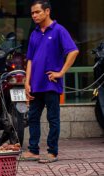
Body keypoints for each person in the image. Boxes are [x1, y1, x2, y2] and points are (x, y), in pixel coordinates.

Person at [22, 0, 79, 163]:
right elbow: (30, 59)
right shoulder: (34, 33)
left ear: (47, 11)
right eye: (32, 13)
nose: (34, 15)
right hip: (35, 84)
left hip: (51, 83)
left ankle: (52, 152)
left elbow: (73, 51)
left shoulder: (59, 30)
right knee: (33, 117)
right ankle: (33, 151)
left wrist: (61, 72)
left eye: (37, 12)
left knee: (53, 119)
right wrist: (27, 82)